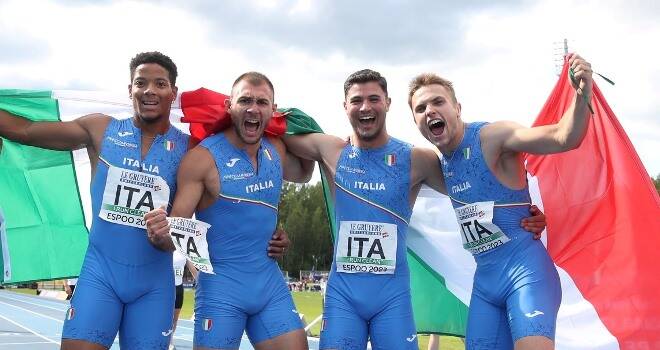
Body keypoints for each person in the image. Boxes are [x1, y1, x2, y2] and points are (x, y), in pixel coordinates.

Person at [0, 52, 290, 350]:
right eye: (141, 82)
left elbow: (225, 206)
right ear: (130, 89)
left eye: (160, 83)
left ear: (172, 93)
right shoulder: (101, 130)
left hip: (154, 287)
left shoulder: (191, 150)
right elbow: (25, 131)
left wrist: (270, 233)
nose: (150, 90)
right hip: (101, 275)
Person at [281, 69, 546, 350]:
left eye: (374, 98)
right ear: (345, 106)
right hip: (342, 296)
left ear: (388, 103)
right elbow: (267, 130)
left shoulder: (417, 159)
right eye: (357, 100)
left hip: (392, 299)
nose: (365, 107)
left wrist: (523, 212)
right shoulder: (331, 149)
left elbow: (474, 186)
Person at [407, 53, 593, 350]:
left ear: (457, 108)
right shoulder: (439, 166)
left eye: (438, 102)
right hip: (485, 288)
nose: (430, 110)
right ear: (416, 122)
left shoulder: (492, 137)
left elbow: (563, 137)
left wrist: (582, 92)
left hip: (527, 276)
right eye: (420, 108)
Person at [145, 71, 313, 350]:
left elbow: (305, 173)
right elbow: (176, 232)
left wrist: (279, 234)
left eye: (262, 102)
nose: (253, 108)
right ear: (228, 106)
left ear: (273, 110)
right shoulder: (202, 159)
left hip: (269, 286)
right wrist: (159, 236)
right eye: (245, 100)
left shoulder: (276, 150)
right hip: (221, 291)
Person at [169, 250, 197, 350]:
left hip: (179, 288)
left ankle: (170, 339)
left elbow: (191, 267)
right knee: (163, 317)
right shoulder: (164, 245)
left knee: (175, 318)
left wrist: (200, 281)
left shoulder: (183, 248)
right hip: (165, 287)